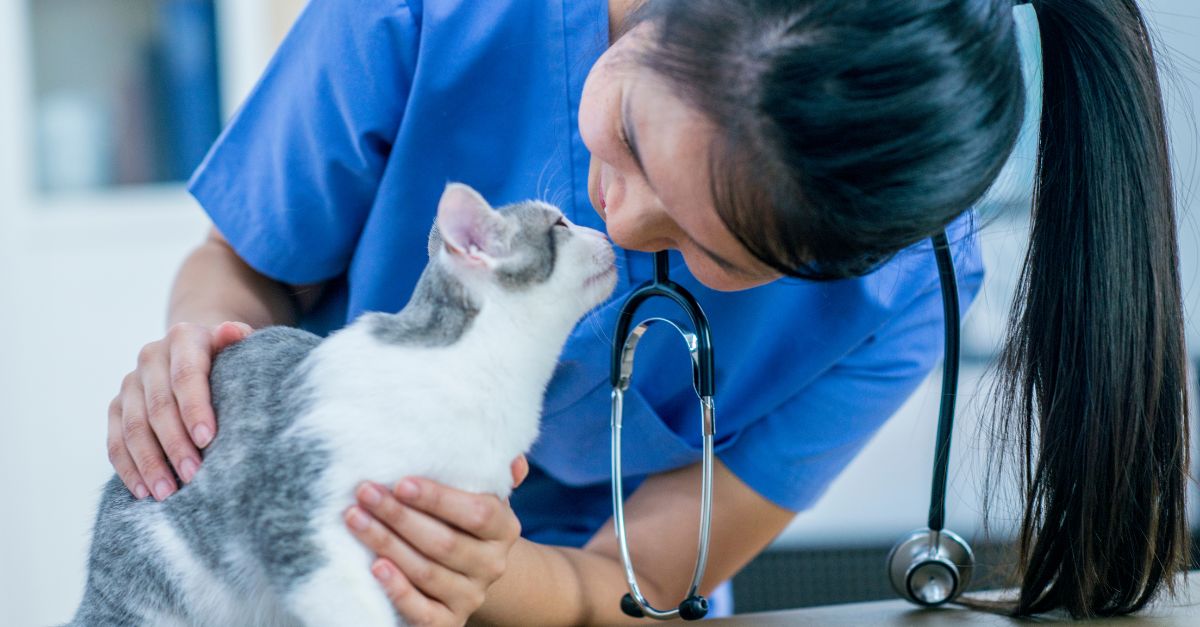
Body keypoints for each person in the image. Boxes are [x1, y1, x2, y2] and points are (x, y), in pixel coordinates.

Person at [104, 0, 1188, 622]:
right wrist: (202, 353)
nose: (617, 227)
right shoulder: (436, 11)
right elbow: (244, 267)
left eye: (708, 251)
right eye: (626, 132)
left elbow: (631, 585)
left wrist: (481, 573)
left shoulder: (902, 291)